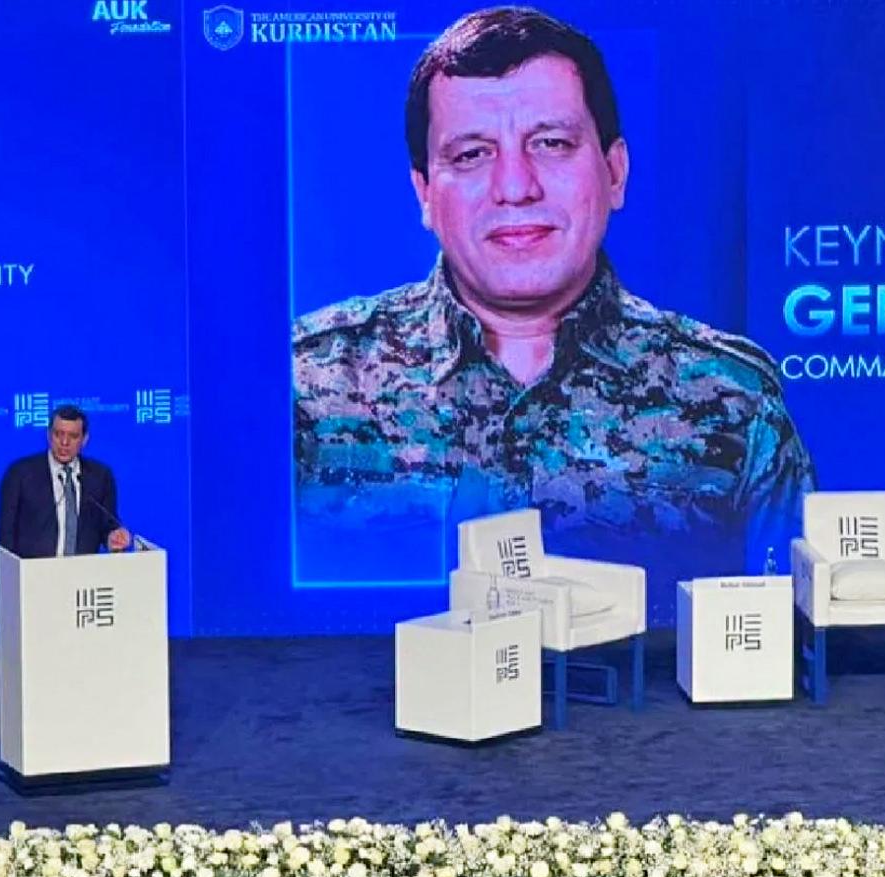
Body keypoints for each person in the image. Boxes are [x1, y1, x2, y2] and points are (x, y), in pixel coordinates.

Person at [292, 6, 815, 589]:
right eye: (472, 154)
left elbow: (790, 629)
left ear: (615, 172)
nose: (516, 187)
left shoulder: (733, 399)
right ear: (425, 194)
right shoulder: (305, 387)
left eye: (551, 143)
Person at [0, 405, 130, 558]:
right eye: (58, 434)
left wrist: (113, 538)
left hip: (83, 571)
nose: (64, 442)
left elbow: (107, 525)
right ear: (48, 435)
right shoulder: (20, 474)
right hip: (33, 570)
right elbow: (5, 536)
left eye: (73, 436)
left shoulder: (100, 476)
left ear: (84, 439)